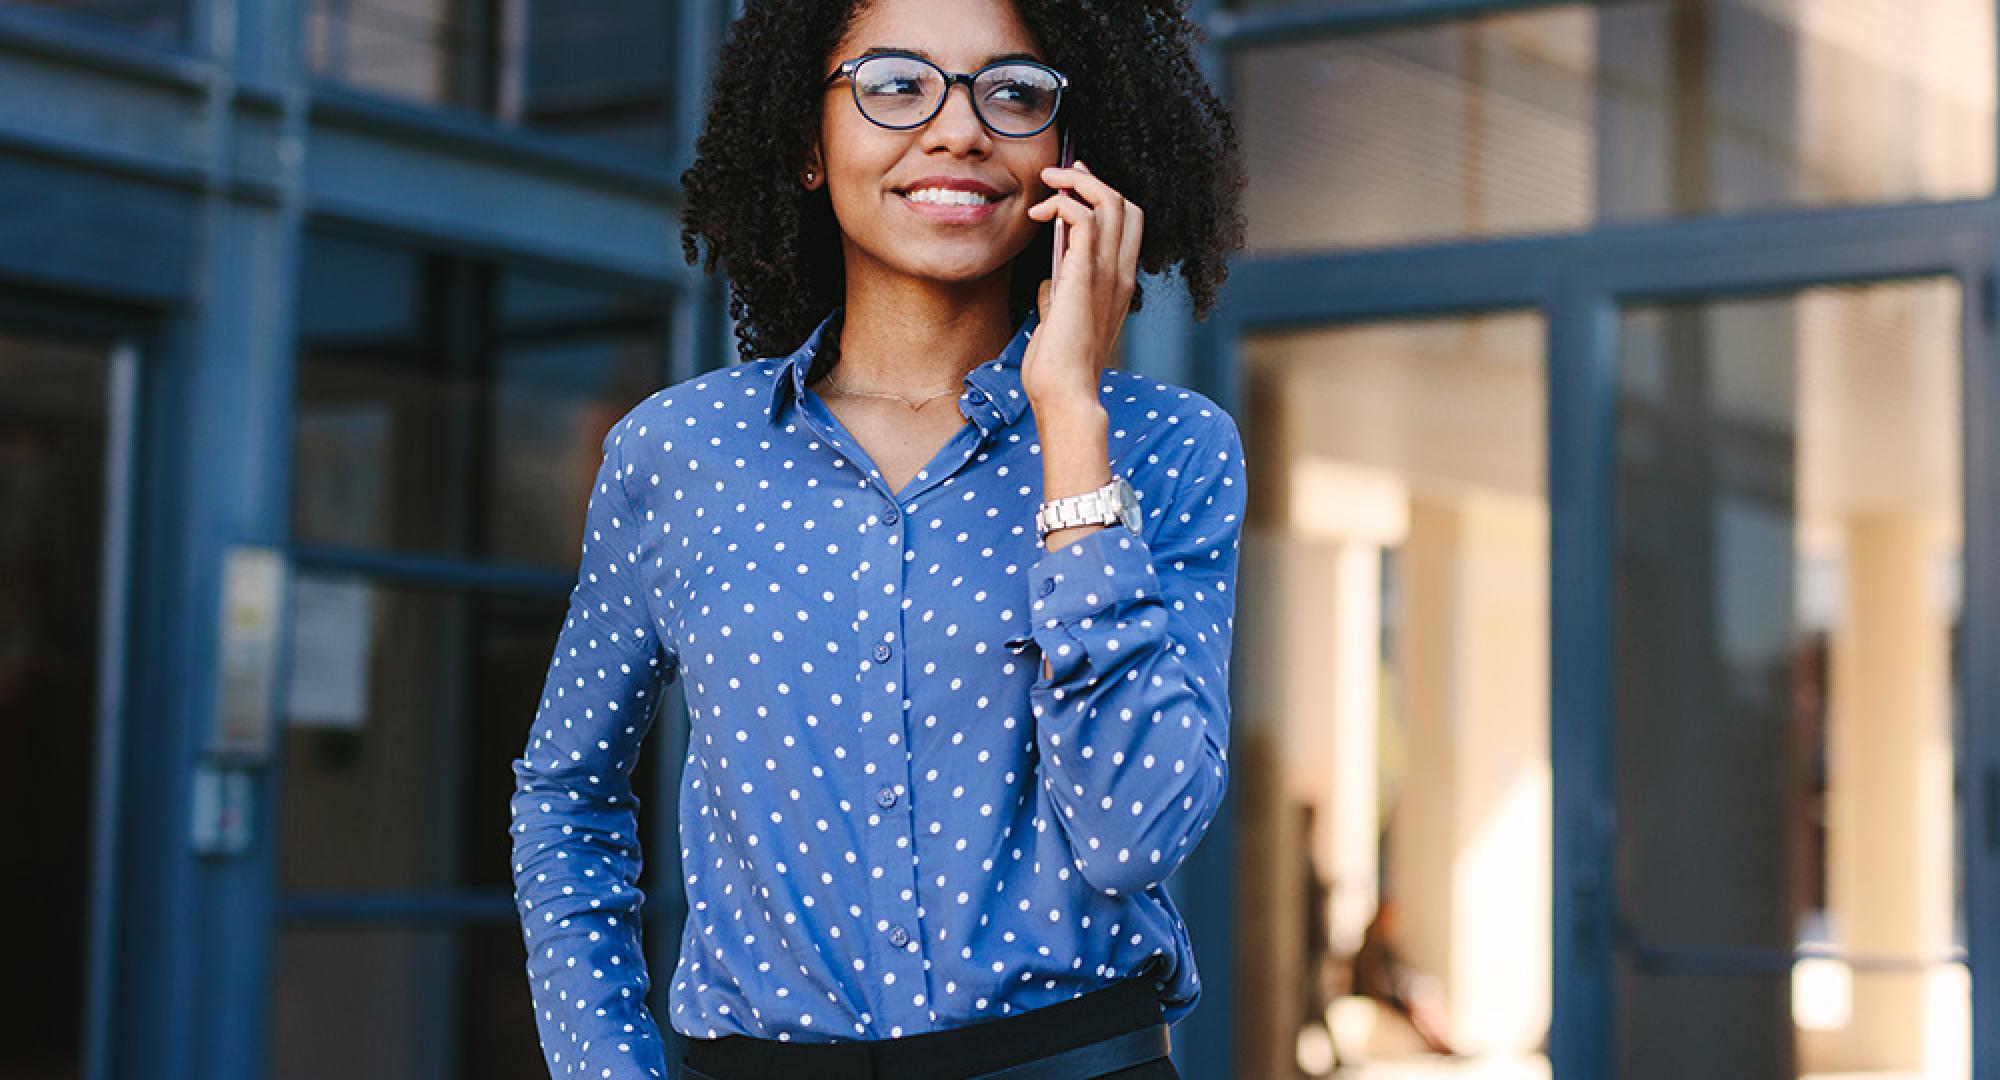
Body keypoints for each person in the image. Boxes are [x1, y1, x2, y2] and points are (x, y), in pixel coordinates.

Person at [506, 0, 1248, 1076]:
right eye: (894, 84)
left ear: (1069, 153)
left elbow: (1136, 830)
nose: (957, 130)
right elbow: (566, 797)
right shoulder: (678, 455)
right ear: (809, 144)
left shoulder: (1165, 447)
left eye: (1015, 92)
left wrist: (1070, 423)